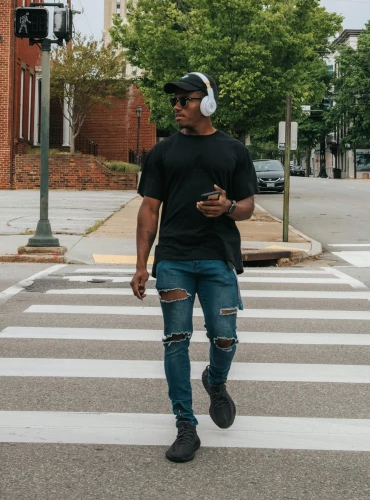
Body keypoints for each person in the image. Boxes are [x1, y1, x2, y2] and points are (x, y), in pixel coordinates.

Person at [130, 72, 258, 462]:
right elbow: (149, 208)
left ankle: (215, 381)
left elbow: (248, 206)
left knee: (224, 336)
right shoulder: (162, 152)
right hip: (174, 260)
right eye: (176, 101)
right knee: (176, 340)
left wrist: (228, 208)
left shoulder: (233, 150)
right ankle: (186, 426)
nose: (177, 106)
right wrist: (141, 264)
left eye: (185, 99)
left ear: (207, 102)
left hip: (218, 258)